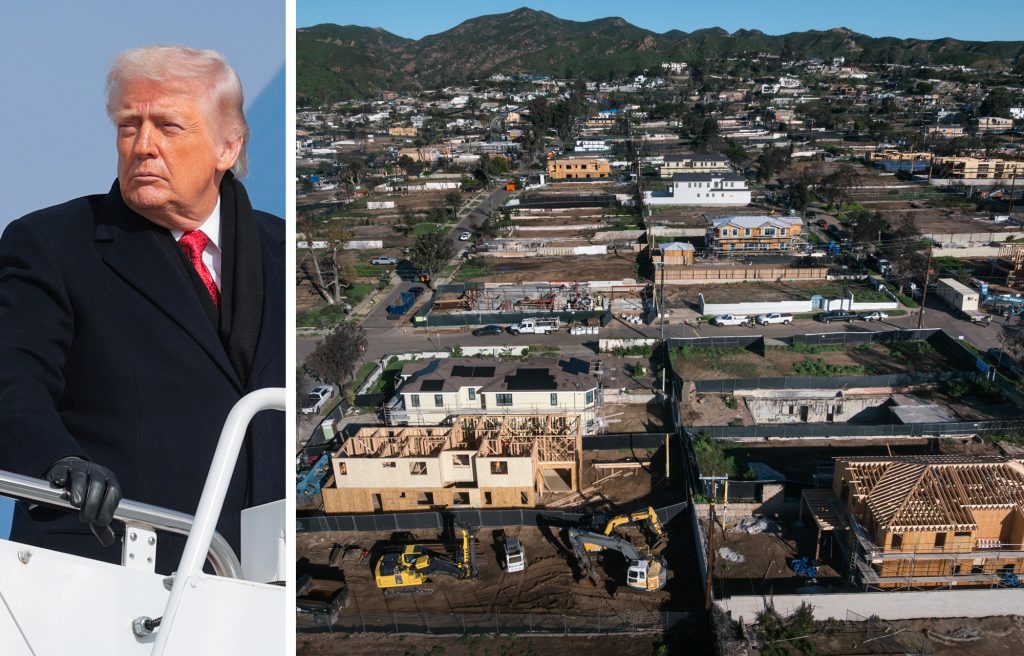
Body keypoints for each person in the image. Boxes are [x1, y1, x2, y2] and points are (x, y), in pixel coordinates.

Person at [0, 46, 284, 572]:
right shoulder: (50, 244)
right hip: (108, 571)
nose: (143, 146)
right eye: (129, 125)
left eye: (169, 127)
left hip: (258, 575)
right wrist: (54, 463)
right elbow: (12, 383)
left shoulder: (281, 247)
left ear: (229, 146)